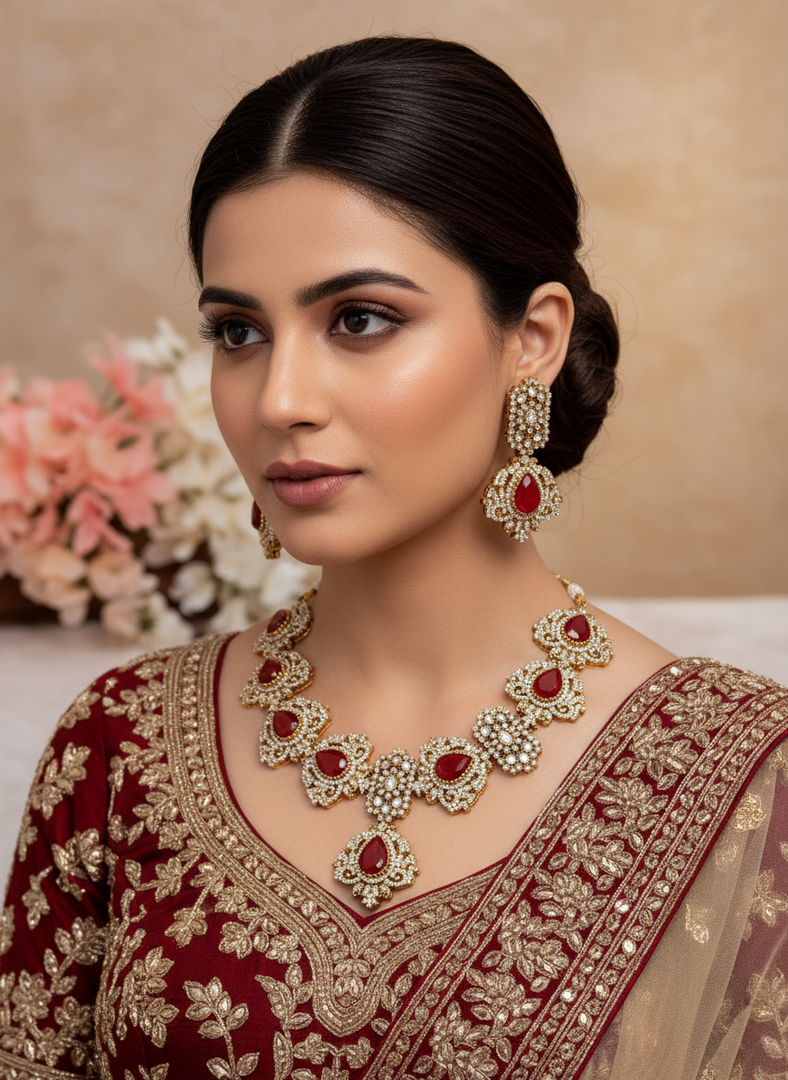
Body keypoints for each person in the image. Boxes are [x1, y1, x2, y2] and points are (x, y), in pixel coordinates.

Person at [0, 36, 786, 1080]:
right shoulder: (119, 751)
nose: (279, 399)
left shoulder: (743, 777)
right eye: (237, 331)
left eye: (359, 319)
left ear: (533, 337)